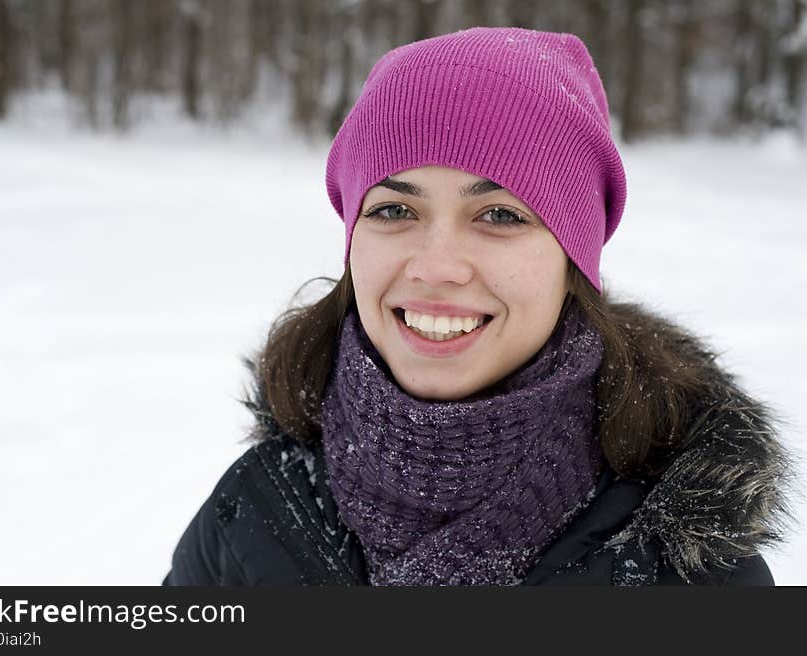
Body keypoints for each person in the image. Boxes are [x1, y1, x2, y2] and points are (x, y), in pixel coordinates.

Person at [163, 27, 794, 586]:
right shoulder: (259, 508)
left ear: (573, 260)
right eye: (393, 210)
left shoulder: (682, 563)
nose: (437, 265)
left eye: (498, 215)